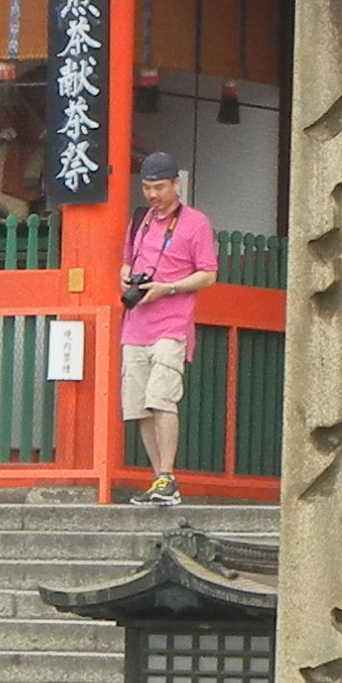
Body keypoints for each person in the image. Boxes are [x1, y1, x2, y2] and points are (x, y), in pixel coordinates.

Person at [119, 148, 217, 506]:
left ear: (177, 184)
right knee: (139, 405)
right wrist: (126, 277)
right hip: (135, 326)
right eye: (147, 187)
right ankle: (159, 478)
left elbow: (209, 274)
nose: (152, 195)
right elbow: (126, 262)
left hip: (171, 325)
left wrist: (168, 288)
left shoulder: (196, 223)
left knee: (162, 398)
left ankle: (167, 476)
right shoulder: (140, 219)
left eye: (159, 187)